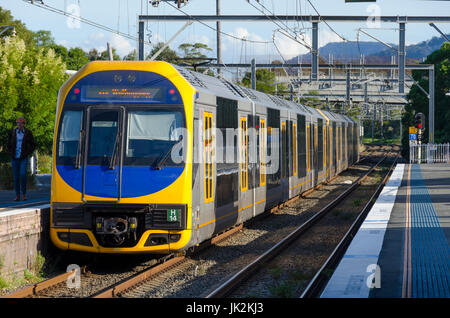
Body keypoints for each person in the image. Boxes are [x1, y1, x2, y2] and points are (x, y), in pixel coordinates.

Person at [6, 117, 36, 201]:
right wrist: (10, 152)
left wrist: (27, 152)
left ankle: (24, 194)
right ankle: (17, 195)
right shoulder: (12, 132)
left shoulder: (28, 133)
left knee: (22, 175)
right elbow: (8, 144)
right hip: (14, 157)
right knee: (16, 177)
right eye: (17, 123)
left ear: (24, 124)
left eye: (20, 123)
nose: (19, 124)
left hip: (23, 157)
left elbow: (33, 145)